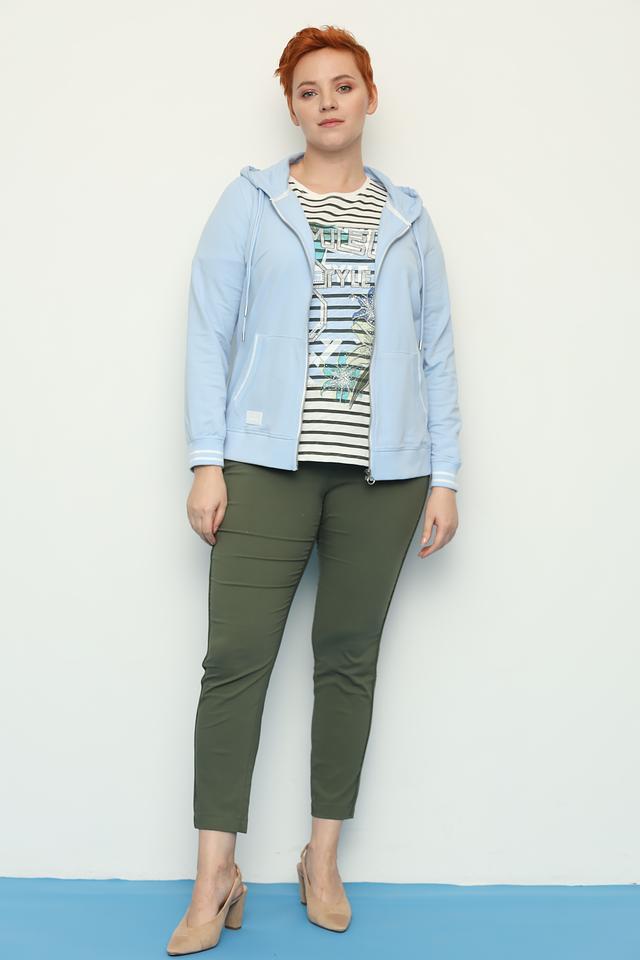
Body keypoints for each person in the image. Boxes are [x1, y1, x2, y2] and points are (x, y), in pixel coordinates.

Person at [167, 24, 462, 955]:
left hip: (385, 476)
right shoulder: (252, 203)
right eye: (308, 90)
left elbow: (437, 352)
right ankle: (215, 875)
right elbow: (209, 331)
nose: (327, 101)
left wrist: (445, 475)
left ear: (370, 96)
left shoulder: (408, 217)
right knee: (234, 662)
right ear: (290, 107)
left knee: (347, 660)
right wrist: (206, 460)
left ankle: (320, 859)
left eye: (342, 85)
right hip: (264, 467)